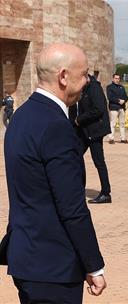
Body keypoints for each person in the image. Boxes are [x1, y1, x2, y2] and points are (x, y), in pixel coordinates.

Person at [3, 43, 106, 303]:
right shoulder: (56, 127)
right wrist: (94, 266)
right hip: (53, 265)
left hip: (26, 257)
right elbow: (72, 207)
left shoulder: (21, 117)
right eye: (84, 75)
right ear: (63, 76)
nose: (87, 83)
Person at [70, 74, 112, 204]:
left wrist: (79, 119)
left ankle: (106, 193)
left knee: (99, 162)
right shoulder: (84, 88)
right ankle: (76, 189)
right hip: (84, 131)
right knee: (74, 156)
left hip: (95, 131)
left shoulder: (94, 88)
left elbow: (98, 109)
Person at [107, 73, 128, 144]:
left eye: (118, 78)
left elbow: (126, 96)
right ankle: (111, 138)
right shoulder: (109, 87)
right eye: (116, 78)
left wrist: (124, 100)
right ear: (113, 79)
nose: (117, 80)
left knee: (122, 124)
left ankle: (123, 138)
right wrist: (118, 100)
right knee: (112, 124)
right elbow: (110, 97)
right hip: (114, 108)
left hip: (122, 108)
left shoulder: (122, 87)